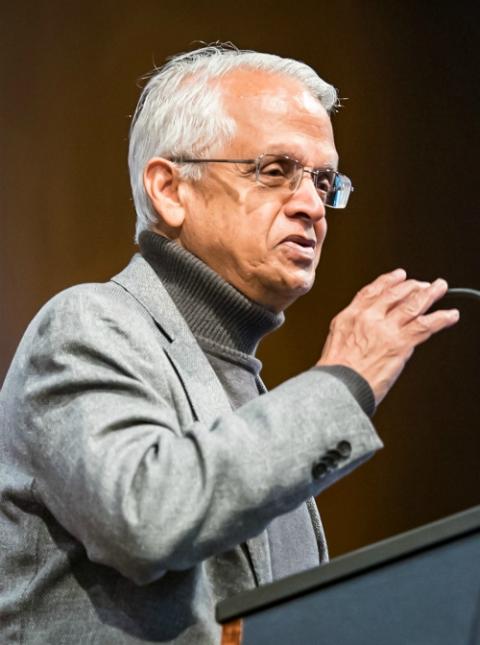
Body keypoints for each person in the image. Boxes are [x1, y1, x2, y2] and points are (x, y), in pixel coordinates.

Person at [0, 44, 459, 644]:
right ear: (170, 190)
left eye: (324, 181)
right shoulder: (86, 326)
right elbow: (145, 517)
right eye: (275, 171)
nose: (311, 205)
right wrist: (344, 380)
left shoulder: (243, 382)